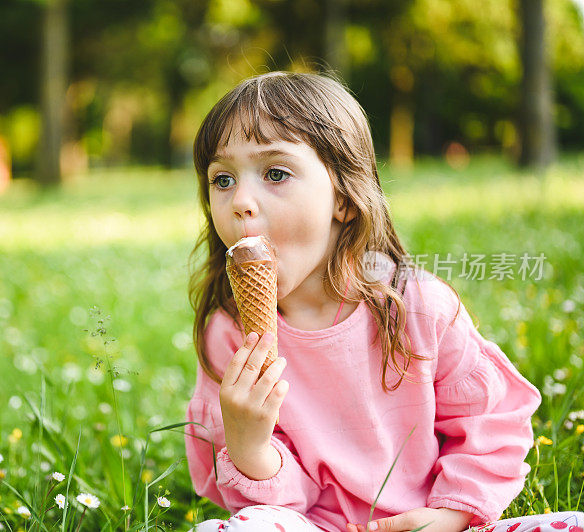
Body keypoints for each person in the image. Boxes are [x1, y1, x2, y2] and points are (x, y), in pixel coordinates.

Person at [184, 71, 583, 532]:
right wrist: (249, 446)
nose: (241, 201)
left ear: (346, 200)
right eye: (222, 179)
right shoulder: (229, 334)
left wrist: (449, 516)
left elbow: (489, 424)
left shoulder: (419, 308)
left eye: (275, 173)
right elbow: (277, 510)